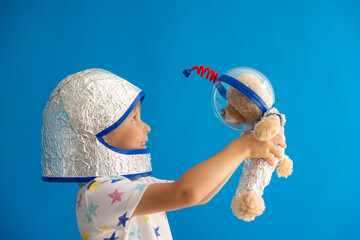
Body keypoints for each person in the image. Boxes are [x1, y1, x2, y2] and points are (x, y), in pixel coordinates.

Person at [41, 69, 286, 240]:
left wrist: (244, 147)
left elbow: (201, 195)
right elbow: (186, 192)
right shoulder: (97, 193)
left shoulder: (133, 184)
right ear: (101, 131)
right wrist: (242, 148)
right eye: (134, 119)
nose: (146, 126)